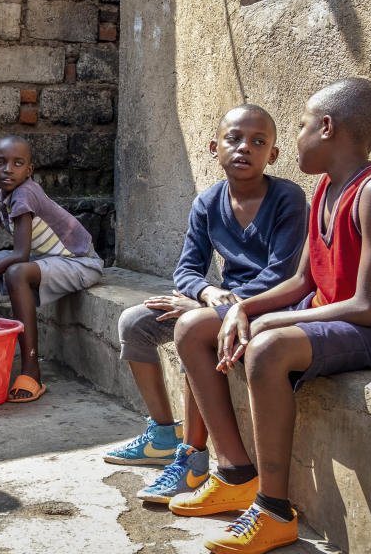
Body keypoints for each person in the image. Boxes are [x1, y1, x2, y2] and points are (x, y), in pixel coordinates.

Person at [170, 78, 371, 553]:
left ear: (326, 128)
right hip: (326, 316)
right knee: (193, 326)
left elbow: (368, 309)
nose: (298, 134)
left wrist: (266, 322)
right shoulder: (325, 187)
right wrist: (240, 307)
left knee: (265, 348)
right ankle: (237, 473)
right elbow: (302, 284)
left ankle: (273, 509)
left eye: (302, 125)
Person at [103, 105, 307, 506]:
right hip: (221, 301)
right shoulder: (208, 202)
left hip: (270, 306)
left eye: (259, 142)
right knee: (135, 321)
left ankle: (192, 459)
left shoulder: (288, 198)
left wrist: (217, 308)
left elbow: (282, 275)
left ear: (274, 155)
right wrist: (208, 295)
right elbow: (187, 270)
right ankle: (163, 433)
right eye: (234, 139)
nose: (244, 148)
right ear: (215, 147)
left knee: (193, 329)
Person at [0, 135, 105, 402]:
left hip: (81, 263)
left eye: (17, 163)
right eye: (0, 163)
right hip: (46, 258)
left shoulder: (25, 194)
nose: (8, 169)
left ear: (29, 170)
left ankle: (31, 372)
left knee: (15, 272)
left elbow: (20, 255)